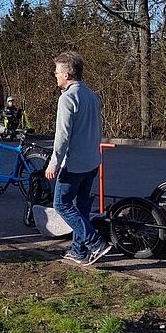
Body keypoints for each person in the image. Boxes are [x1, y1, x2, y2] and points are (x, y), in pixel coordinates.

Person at [43, 51, 112, 266]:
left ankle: (95, 243)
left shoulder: (67, 99)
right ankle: (78, 251)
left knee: (61, 204)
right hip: (92, 161)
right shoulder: (92, 95)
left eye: (57, 73)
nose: (55, 76)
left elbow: (62, 136)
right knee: (81, 208)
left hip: (74, 165)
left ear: (67, 74)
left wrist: (53, 163)